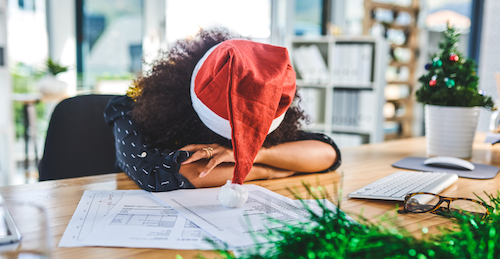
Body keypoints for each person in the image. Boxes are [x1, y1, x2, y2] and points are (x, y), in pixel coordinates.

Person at [104, 28, 341, 196]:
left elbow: (327, 153)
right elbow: (155, 174)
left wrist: (247, 156)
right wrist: (264, 171)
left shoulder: (267, 102)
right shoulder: (133, 107)